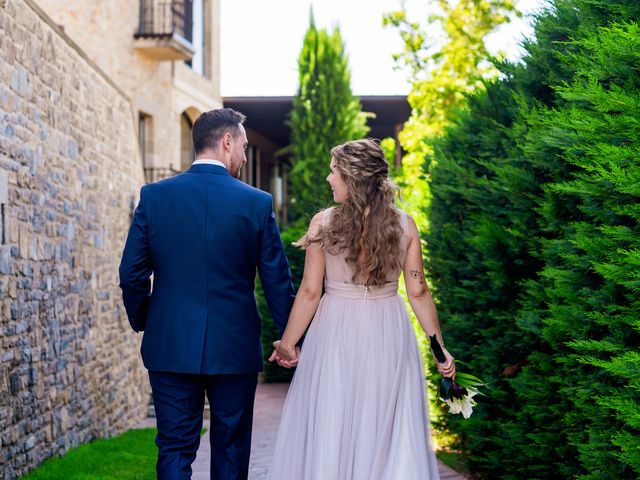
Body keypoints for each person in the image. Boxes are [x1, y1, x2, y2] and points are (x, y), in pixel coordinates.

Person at [119, 108, 295, 480]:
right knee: (231, 451)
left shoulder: (154, 197)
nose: (245, 157)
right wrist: (289, 338)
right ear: (226, 142)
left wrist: (147, 319)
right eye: (244, 147)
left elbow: (131, 274)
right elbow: (277, 279)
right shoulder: (257, 203)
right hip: (234, 348)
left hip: (169, 344)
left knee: (174, 448)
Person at [267, 138, 455, 479]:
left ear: (351, 179)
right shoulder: (404, 225)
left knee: (334, 416)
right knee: (384, 420)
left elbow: (310, 292)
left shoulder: (323, 224)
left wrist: (288, 343)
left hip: (336, 327)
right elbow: (418, 290)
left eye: (333, 172)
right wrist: (439, 348)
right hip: (388, 328)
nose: (328, 179)